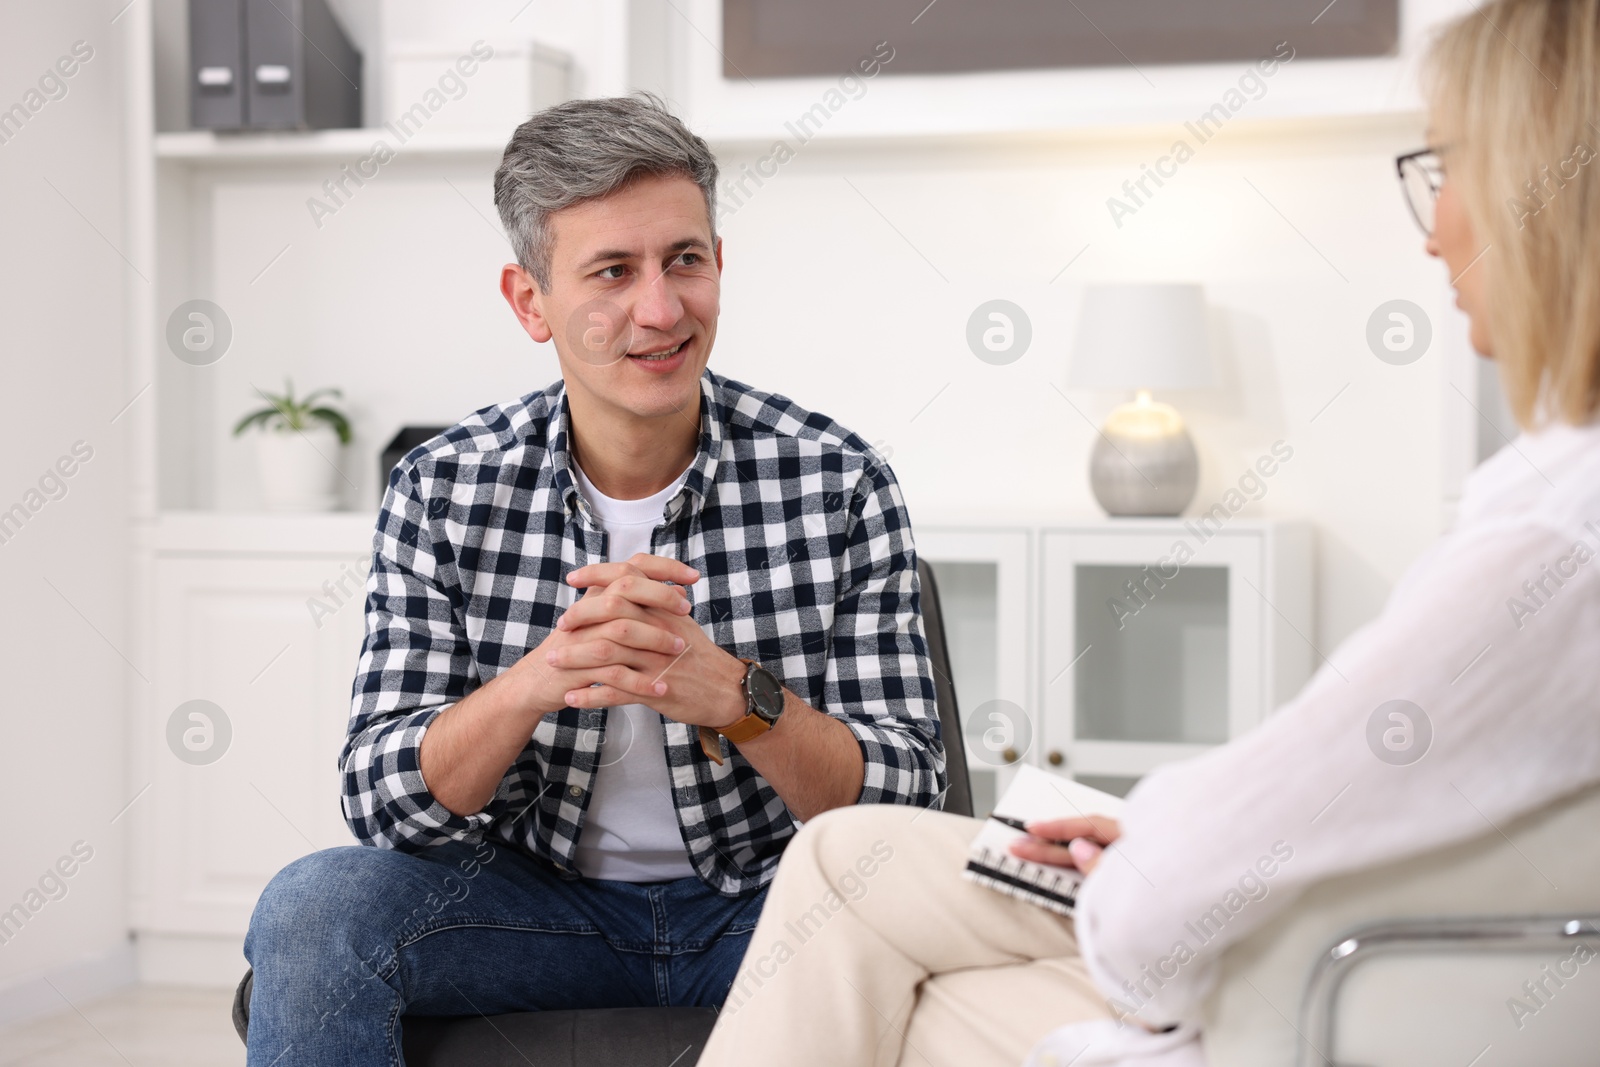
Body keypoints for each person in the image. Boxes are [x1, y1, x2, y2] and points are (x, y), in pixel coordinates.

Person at [696, 1, 1600, 1064]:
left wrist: (1160, 862)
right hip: (1312, 936)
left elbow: (1155, 928)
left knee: (908, 991)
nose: (1430, 224)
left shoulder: (1553, 540)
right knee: (847, 861)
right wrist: (1157, 847)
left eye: (1446, 169)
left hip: (1308, 1001)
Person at [241, 93, 946, 1065]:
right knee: (312, 907)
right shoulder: (442, 488)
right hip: (529, 910)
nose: (659, 310)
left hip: (771, 911)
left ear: (719, 263)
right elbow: (382, 797)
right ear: (529, 300)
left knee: (932, 935)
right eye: (611, 271)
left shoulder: (838, 479)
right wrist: (540, 678)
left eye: (683, 260)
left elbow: (910, 802)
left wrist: (741, 698)